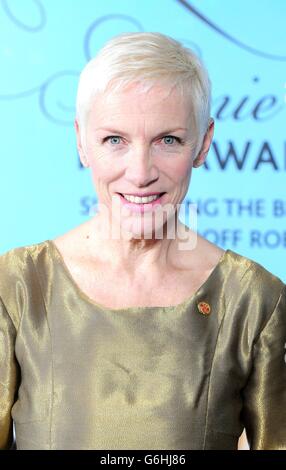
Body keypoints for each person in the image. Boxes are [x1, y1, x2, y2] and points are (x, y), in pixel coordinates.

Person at [0, 32, 285, 451]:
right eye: (114, 140)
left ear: (203, 143)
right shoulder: (18, 286)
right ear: (82, 141)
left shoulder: (254, 300)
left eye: (167, 140)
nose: (140, 172)